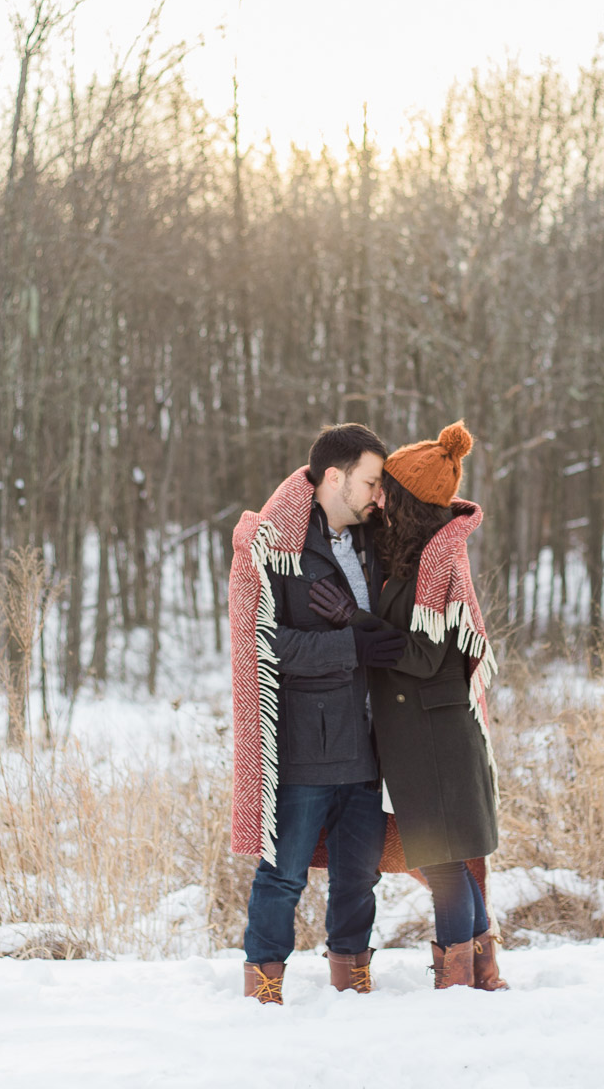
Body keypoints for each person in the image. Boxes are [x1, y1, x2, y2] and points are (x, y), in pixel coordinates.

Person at [307, 420, 507, 991]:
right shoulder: (412, 552)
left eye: (386, 486)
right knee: (451, 861)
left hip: (435, 738)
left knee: (446, 864)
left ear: (409, 500)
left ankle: (459, 983)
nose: (378, 495)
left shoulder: (433, 563)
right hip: (424, 734)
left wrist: (353, 621)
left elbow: (421, 657)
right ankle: (477, 974)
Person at [228, 423, 408, 1004]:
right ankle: (263, 988)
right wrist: (348, 647)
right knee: (283, 877)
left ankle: (351, 976)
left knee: (360, 876)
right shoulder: (277, 549)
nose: (378, 494)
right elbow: (264, 645)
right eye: (370, 481)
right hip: (306, 744)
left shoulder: (368, 543)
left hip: (366, 743)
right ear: (335, 477)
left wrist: (363, 631)